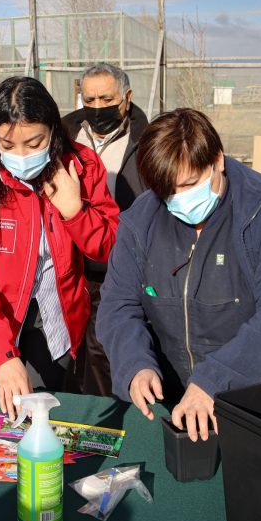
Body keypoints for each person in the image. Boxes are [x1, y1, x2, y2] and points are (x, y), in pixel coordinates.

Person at [96, 108, 261, 442]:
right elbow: (118, 305)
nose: (179, 199)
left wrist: (215, 380)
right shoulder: (141, 220)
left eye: (189, 184)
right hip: (180, 401)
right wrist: (135, 365)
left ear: (217, 160)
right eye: (166, 191)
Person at [0, 76, 119, 420]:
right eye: (7, 145)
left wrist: (75, 210)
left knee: (45, 422)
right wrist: (2, 357)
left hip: (55, 321)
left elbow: (111, 248)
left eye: (34, 142)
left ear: (54, 132)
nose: (21, 156)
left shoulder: (82, 166)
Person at [61, 63, 149, 397]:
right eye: (90, 99)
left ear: (126, 97)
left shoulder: (146, 140)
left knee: (105, 351)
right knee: (68, 351)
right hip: (69, 265)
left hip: (117, 265)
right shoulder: (63, 135)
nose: (98, 108)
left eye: (106, 98)